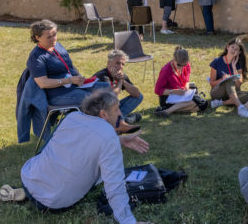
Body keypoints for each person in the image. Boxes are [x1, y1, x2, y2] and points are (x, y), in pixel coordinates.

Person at [18, 90, 151, 224]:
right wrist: (128, 221)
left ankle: (38, 187)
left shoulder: (72, 116)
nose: (120, 114)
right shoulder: (108, 136)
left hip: (28, 179)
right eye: (116, 109)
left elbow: (77, 143)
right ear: (104, 114)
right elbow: (115, 185)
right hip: (53, 203)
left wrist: (119, 141)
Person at [26, 20, 111, 106]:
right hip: (58, 94)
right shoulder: (36, 57)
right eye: (49, 37)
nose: (54, 39)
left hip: (74, 86)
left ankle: (113, 117)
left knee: (107, 87)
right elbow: (43, 83)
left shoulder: (57, 45)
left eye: (55, 34)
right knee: (93, 99)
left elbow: (69, 65)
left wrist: (79, 77)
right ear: (37, 38)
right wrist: (69, 80)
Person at [93, 50, 143, 126]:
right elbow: (112, 97)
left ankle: (120, 119)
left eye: (123, 64)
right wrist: (120, 81)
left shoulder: (120, 75)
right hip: (98, 111)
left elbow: (136, 94)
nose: (120, 66)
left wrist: (123, 81)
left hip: (110, 107)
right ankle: (121, 120)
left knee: (140, 96)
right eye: (117, 63)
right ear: (108, 63)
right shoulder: (102, 76)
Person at [208, 38, 248, 117]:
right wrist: (222, 79)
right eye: (232, 47)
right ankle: (240, 107)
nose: (233, 50)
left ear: (238, 53)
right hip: (217, 92)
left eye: (236, 49)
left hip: (232, 93)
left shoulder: (238, 65)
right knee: (229, 80)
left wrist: (234, 68)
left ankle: (220, 103)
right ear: (228, 47)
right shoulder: (216, 61)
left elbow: (238, 85)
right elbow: (212, 84)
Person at [153, 46, 203, 117]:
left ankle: (167, 110)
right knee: (197, 102)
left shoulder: (186, 65)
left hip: (182, 94)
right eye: (179, 65)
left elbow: (186, 80)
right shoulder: (166, 70)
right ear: (174, 59)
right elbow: (157, 90)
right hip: (168, 97)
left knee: (202, 103)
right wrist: (175, 91)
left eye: (184, 65)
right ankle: (168, 110)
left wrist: (186, 86)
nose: (182, 67)